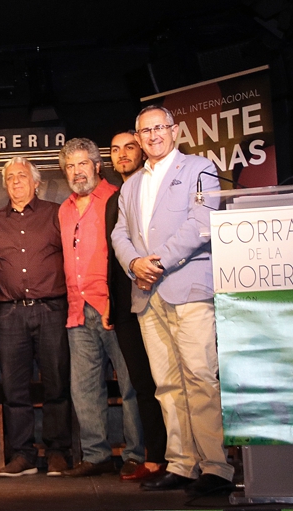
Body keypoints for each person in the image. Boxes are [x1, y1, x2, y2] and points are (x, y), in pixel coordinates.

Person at [112, 105, 235, 496]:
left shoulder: (200, 168)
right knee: (166, 384)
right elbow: (119, 233)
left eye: (159, 128)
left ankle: (215, 467)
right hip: (147, 294)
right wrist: (134, 262)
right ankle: (181, 464)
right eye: (145, 131)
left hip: (188, 288)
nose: (153, 136)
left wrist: (158, 261)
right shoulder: (130, 185)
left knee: (199, 376)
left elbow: (201, 225)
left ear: (175, 131)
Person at [56, 138, 143, 477]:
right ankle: (96, 456)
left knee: (131, 385)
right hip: (77, 310)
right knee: (84, 389)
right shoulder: (63, 209)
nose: (77, 172)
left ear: (96, 166)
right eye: (70, 166)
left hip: (114, 307)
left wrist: (113, 300)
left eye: (82, 164)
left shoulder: (116, 198)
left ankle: (137, 454)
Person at [0, 156, 71, 477]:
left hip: (52, 310)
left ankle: (58, 452)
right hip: (9, 314)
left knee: (56, 384)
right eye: (10, 178)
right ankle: (23, 454)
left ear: (36, 182)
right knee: (14, 389)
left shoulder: (55, 214)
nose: (16, 182)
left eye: (22, 176)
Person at [108, 131, 168, 481]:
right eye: (115, 150)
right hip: (127, 304)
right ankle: (156, 457)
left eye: (129, 147)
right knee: (144, 384)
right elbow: (111, 252)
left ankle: (184, 458)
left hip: (164, 290)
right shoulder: (115, 199)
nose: (122, 155)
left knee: (176, 381)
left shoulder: (156, 190)